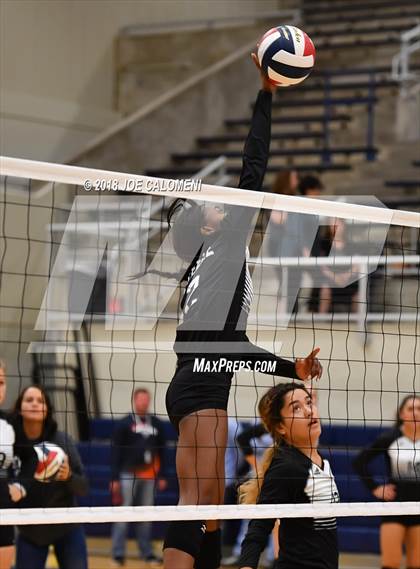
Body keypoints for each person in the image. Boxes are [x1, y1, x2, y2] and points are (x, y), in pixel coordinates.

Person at [160, 54, 323, 569]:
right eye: (210, 204)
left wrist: (286, 367)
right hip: (203, 387)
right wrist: (266, 94)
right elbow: (253, 167)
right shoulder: (225, 244)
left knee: (208, 510)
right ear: (209, 226)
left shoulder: (203, 265)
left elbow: (214, 346)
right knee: (197, 507)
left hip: (194, 383)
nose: (220, 202)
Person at [238, 382, 339, 569]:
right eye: (296, 408)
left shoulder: (320, 460)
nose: (309, 411)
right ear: (281, 427)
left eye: (309, 402)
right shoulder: (286, 466)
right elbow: (259, 527)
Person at [11, 385, 89, 569]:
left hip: (66, 526)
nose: (35, 404)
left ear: (47, 410)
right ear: (19, 407)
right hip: (30, 529)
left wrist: (68, 476)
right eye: (29, 400)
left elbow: (84, 487)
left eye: (41, 401)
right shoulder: (10, 443)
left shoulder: (62, 441)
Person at [353, 395, 420, 569]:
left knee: (416, 564)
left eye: (419, 409)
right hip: (395, 506)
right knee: (391, 564)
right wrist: (375, 488)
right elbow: (358, 462)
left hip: (419, 508)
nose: (415, 413)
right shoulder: (390, 438)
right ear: (401, 414)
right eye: (411, 409)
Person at [110, 388, 167, 567]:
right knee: (124, 514)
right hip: (128, 475)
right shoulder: (124, 423)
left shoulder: (157, 424)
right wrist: (114, 478)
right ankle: (118, 554)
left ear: (149, 401)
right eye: (140, 400)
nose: (143, 403)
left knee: (146, 515)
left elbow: (163, 452)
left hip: (149, 476)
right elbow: (115, 452)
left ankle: (147, 553)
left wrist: (162, 475)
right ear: (134, 400)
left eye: (146, 400)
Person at [0, 359, 25, 569]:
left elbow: (24, 463)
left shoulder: (10, 425)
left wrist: (20, 486)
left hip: (3, 514)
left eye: (0, 382)